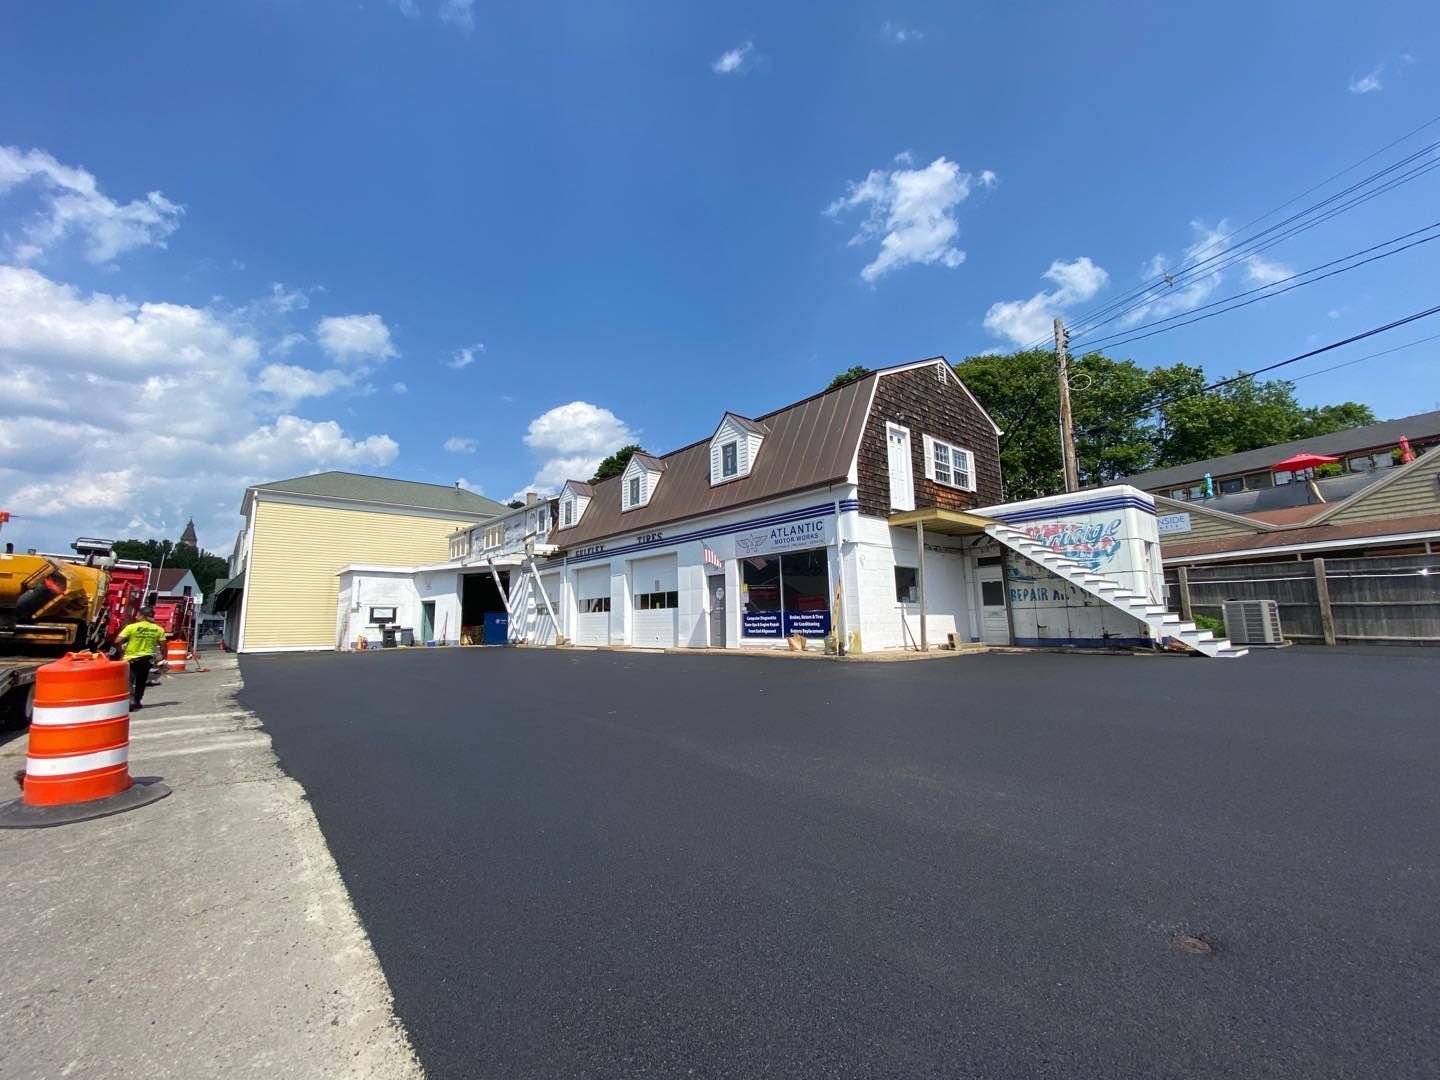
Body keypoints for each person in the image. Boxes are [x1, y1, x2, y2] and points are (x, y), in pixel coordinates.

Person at [115, 606, 166, 710]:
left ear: (142, 616)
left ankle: (130, 701)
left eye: (138, 614)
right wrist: (163, 658)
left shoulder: (131, 627)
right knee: (141, 681)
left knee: (129, 680)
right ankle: (137, 701)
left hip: (131, 659)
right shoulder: (158, 629)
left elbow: (117, 641)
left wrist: (121, 652)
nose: (136, 616)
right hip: (147, 659)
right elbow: (163, 646)